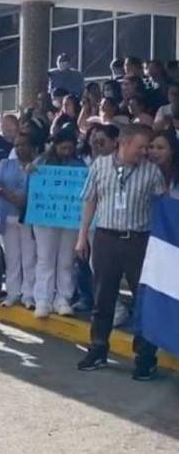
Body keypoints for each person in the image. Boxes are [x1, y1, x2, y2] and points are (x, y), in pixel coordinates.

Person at [75, 123, 165, 379]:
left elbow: (162, 208)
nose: (145, 152)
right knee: (103, 296)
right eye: (141, 146)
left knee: (143, 299)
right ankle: (98, 348)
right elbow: (90, 200)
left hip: (139, 241)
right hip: (106, 237)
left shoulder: (151, 172)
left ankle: (145, 357)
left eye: (148, 147)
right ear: (124, 144)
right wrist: (83, 237)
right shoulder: (100, 166)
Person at [28, 131, 85, 318]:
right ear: (55, 146)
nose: (67, 151)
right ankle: (43, 299)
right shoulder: (41, 163)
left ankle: (63, 299)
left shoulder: (79, 165)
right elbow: (31, 187)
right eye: (63, 148)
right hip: (45, 218)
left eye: (70, 148)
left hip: (69, 219)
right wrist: (30, 172)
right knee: (45, 258)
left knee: (66, 260)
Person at [0, 133, 38, 308]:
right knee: (12, 258)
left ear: (32, 147)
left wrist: (25, 199)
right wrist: (11, 197)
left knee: (29, 258)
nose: (20, 148)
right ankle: (12, 293)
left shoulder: (37, 167)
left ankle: (29, 295)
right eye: (17, 145)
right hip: (7, 217)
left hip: (28, 218)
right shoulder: (6, 164)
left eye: (24, 145)